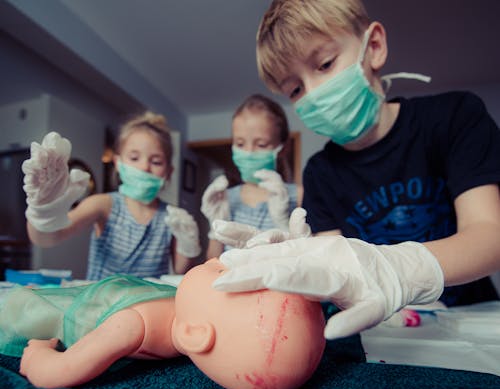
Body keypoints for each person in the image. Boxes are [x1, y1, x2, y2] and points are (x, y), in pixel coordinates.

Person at [211, 0, 500, 339]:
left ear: (373, 47)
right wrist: (305, 261)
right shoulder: (319, 174)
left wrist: (404, 270)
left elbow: (489, 234)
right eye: (295, 89)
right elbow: (337, 274)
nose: (314, 93)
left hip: (473, 322)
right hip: (384, 330)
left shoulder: (453, 117)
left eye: (325, 64)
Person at [1, 259, 326, 389]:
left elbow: (58, 372)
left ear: (194, 334)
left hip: (59, 314)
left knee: (18, 307)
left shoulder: (131, 325)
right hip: (93, 291)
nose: (216, 257)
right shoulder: (190, 310)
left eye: (220, 270)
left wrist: (38, 356)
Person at [23, 111, 201, 280]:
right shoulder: (103, 205)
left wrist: (189, 246)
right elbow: (48, 238)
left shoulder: (173, 217)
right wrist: (43, 208)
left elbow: (180, 271)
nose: (145, 167)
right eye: (134, 158)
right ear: (118, 162)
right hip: (102, 307)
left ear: (169, 172)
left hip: (148, 308)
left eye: (156, 161)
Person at [201, 94, 301, 259]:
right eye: (240, 144)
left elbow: (306, 261)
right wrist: (215, 227)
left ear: (282, 148)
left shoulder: (297, 195)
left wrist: (283, 223)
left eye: (261, 144)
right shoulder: (226, 197)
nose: (248, 152)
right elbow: (212, 261)